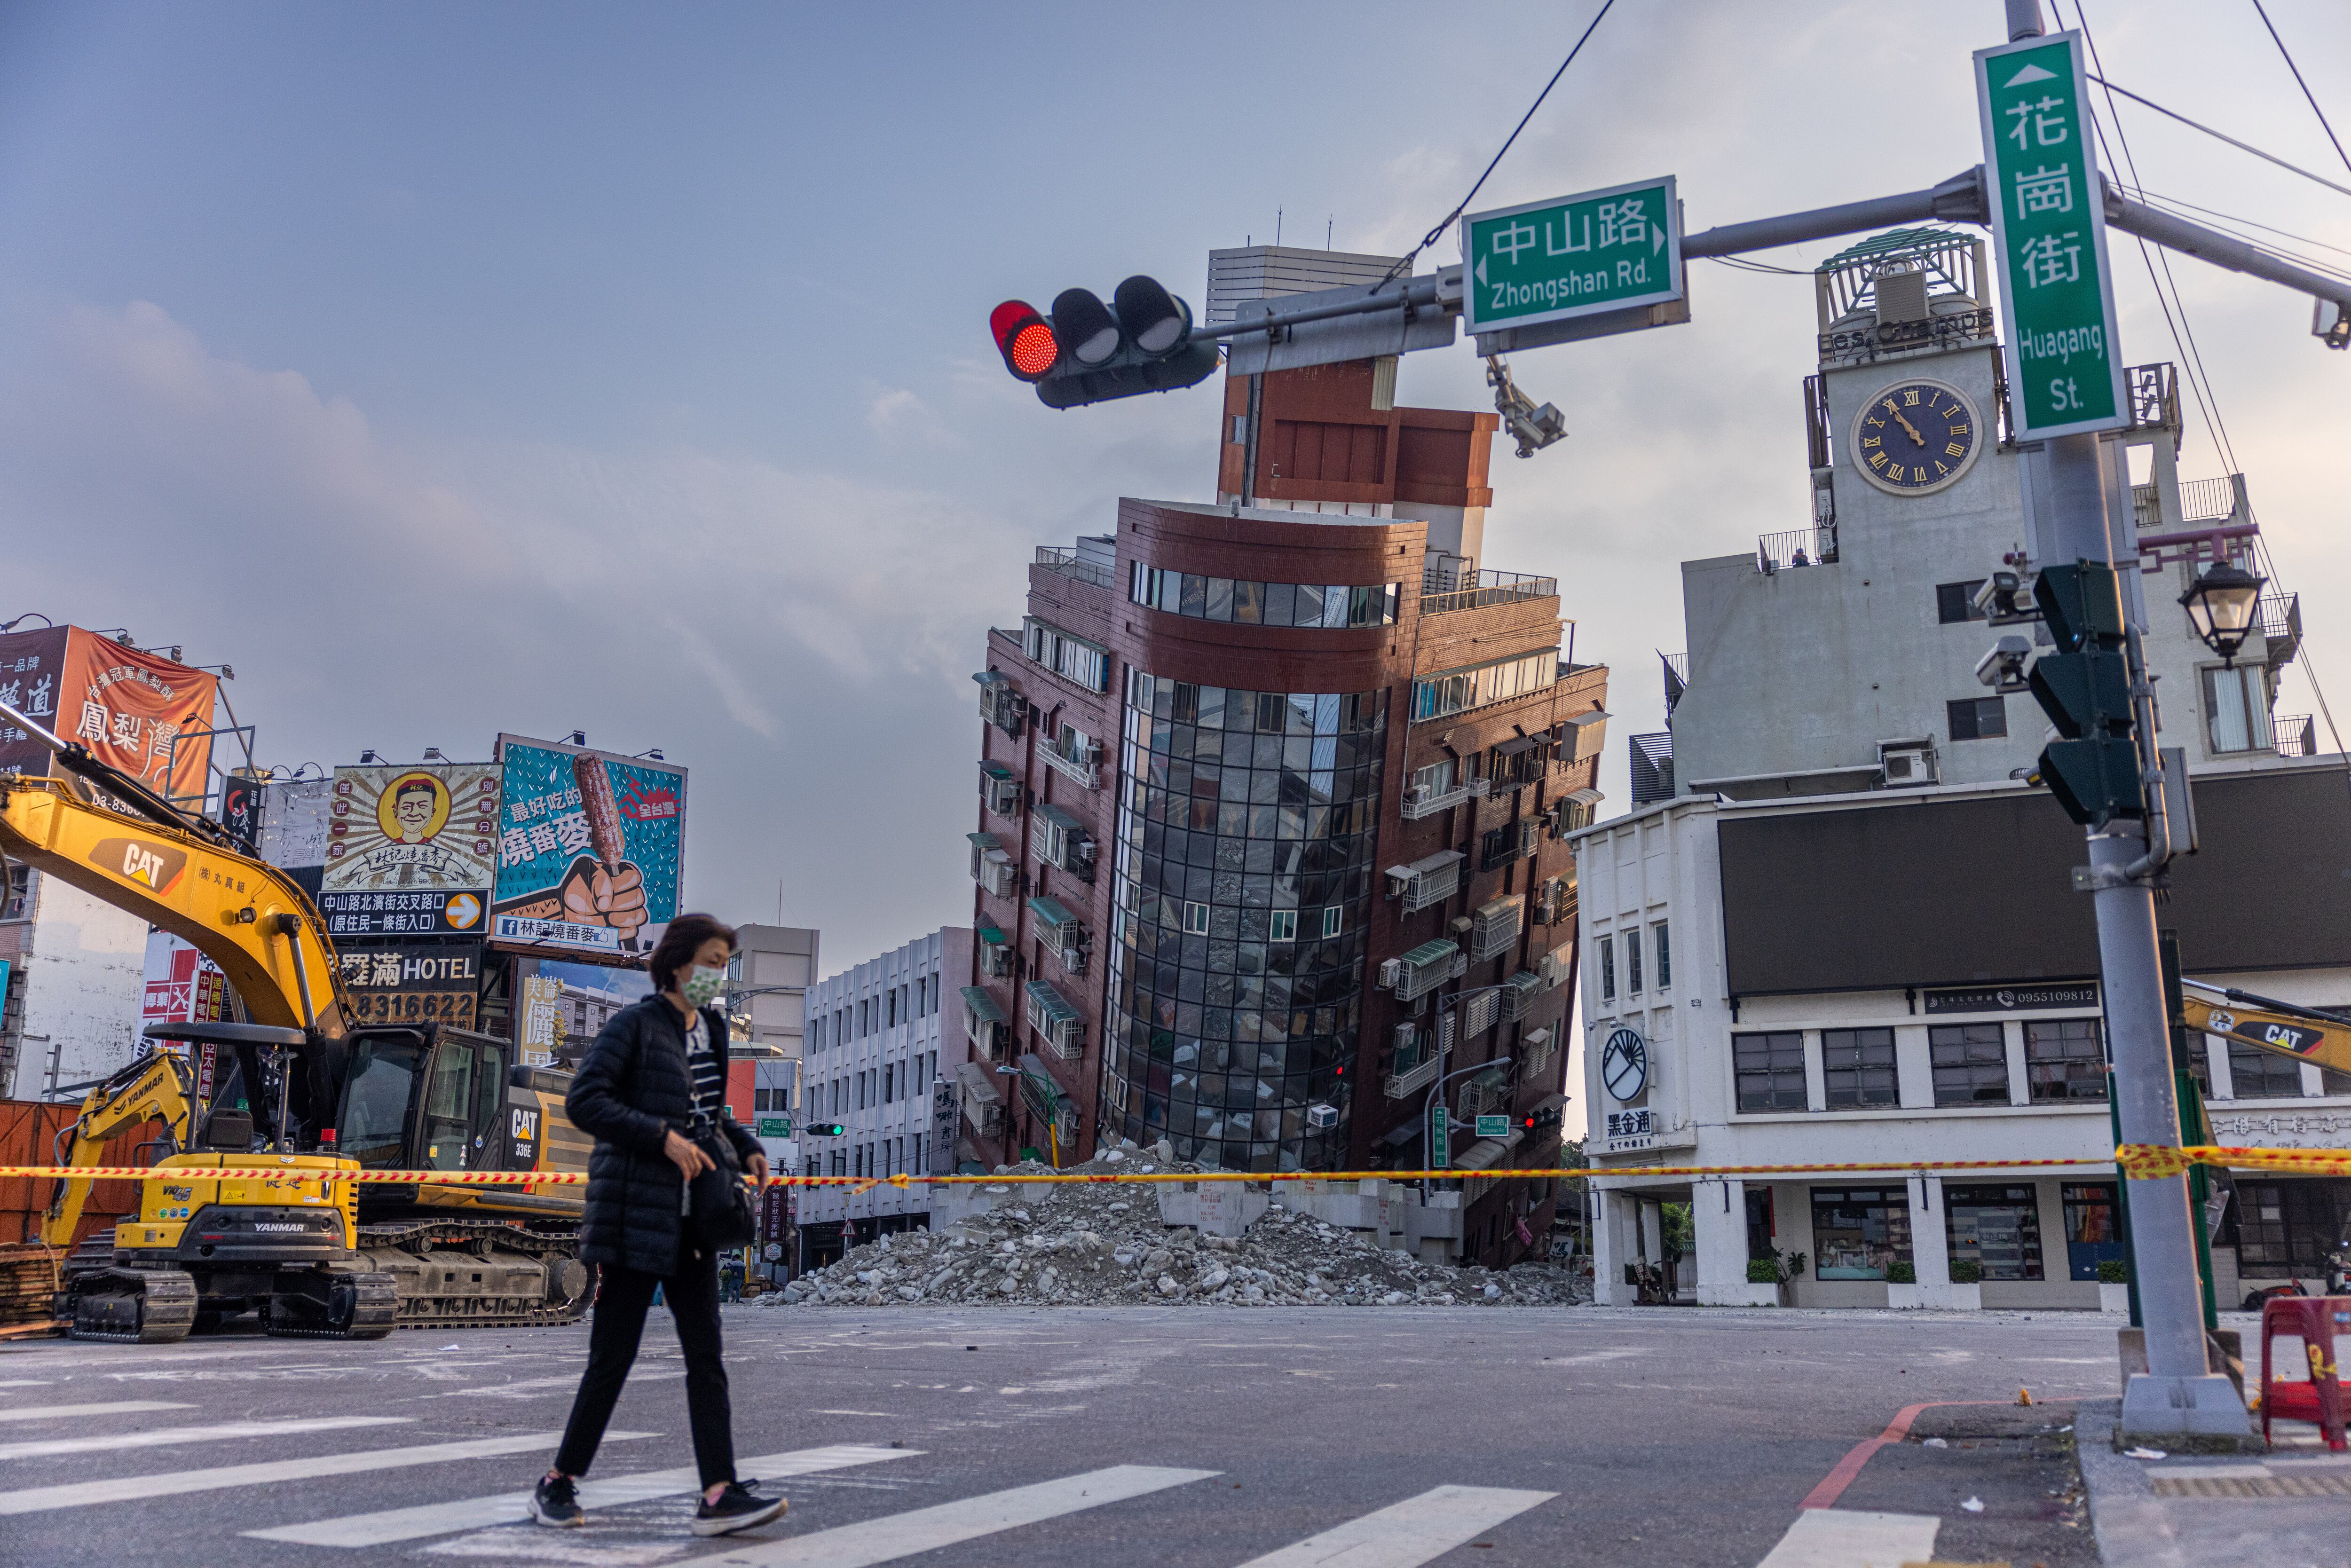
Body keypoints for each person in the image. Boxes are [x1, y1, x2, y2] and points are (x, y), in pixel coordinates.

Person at [530, 914, 784, 1537]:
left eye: (725, 965)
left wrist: (744, 1142)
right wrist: (660, 1140)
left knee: (707, 1357)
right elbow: (585, 1100)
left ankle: (718, 1494)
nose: (718, 977)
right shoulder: (635, 1026)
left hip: (692, 1220)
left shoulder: (713, 1028)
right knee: (613, 1357)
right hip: (634, 1218)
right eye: (712, 963)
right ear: (678, 965)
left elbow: (706, 1112)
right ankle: (558, 1482)